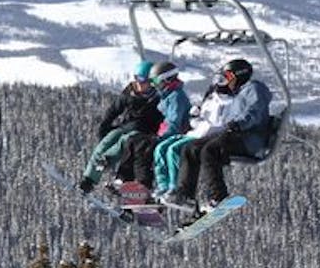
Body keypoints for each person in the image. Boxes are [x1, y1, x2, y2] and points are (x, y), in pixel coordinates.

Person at [164, 57, 271, 212]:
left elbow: (254, 112)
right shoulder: (238, 93)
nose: (225, 82)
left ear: (239, 76)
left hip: (249, 139)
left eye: (228, 77)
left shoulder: (254, 89)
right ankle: (185, 194)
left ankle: (218, 196)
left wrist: (239, 124)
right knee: (191, 148)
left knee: (210, 150)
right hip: (234, 134)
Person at [76, 61, 163, 194]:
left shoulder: (157, 99)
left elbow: (164, 118)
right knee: (105, 143)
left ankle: (108, 160)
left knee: (125, 142)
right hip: (125, 126)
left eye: (143, 81)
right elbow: (114, 110)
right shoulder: (130, 93)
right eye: (137, 79)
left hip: (143, 131)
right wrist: (104, 127)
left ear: (152, 82)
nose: (139, 84)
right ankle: (89, 180)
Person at [121, 61, 191, 191]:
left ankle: (146, 186)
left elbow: (174, 122)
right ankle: (124, 179)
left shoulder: (176, 97)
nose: (154, 85)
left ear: (167, 80)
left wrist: (161, 137)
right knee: (133, 140)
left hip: (175, 134)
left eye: (156, 82)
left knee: (147, 148)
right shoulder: (166, 96)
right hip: (162, 133)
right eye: (152, 82)